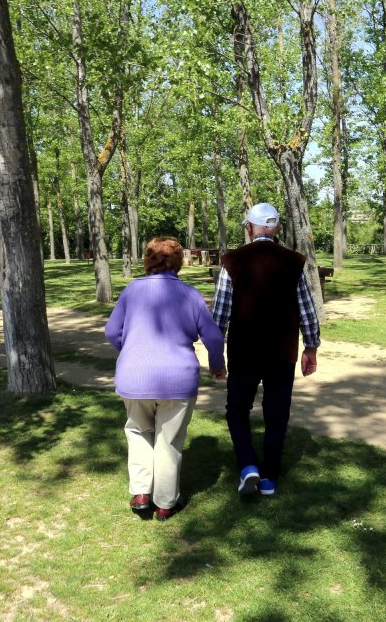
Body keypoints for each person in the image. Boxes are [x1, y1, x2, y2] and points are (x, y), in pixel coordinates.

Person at [105, 237, 226, 520]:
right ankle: (165, 503)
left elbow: (112, 331)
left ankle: (141, 492)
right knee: (168, 440)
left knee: (138, 432)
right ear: (178, 262)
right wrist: (217, 366)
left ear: (148, 260)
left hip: (134, 377)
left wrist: (132, 350)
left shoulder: (132, 290)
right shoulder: (189, 294)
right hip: (178, 380)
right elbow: (213, 336)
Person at [212, 202, 320, 497]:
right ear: (277, 230)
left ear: (249, 229)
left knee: (237, 410)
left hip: (243, 351)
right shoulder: (294, 261)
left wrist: (215, 351)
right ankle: (270, 477)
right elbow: (307, 310)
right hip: (281, 352)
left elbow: (220, 313)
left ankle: (248, 465)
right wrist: (311, 347)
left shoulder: (232, 261)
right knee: (277, 412)